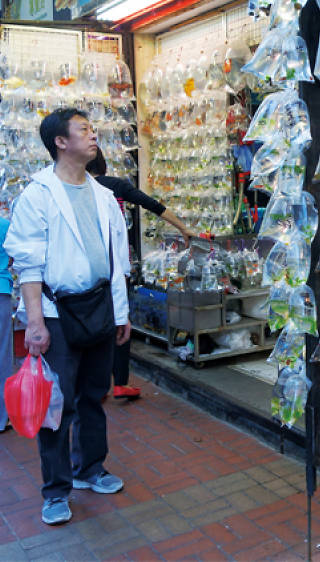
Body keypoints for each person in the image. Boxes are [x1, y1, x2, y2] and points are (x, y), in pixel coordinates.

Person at [3, 108, 131, 526]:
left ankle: (90, 469)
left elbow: (117, 260)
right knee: (56, 406)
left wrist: (121, 312)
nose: (93, 136)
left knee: (94, 395)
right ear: (61, 142)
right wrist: (35, 323)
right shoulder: (38, 194)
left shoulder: (101, 193)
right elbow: (28, 263)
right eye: (84, 130)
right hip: (57, 313)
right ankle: (56, 491)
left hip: (99, 307)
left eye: (93, 129)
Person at [86, 147, 196, 400]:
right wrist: (183, 228)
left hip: (90, 269)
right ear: (102, 164)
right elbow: (153, 206)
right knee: (120, 320)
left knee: (95, 324)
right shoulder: (114, 186)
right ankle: (120, 382)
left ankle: (98, 383)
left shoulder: (77, 190)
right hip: (117, 266)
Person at [0, 216, 12, 432]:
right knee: (2, 355)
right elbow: (13, 257)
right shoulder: (4, 225)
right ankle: (2, 417)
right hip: (1, 291)